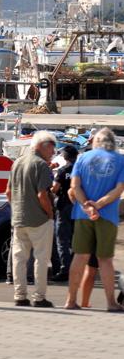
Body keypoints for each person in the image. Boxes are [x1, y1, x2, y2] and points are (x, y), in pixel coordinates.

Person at [64, 128, 124, 311]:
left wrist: (87, 206)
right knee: (105, 259)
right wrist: (98, 205)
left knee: (80, 256)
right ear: (112, 142)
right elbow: (119, 189)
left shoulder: (82, 158)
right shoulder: (120, 160)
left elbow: (74, 186)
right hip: (107, 216)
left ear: (95, 141)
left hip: (82, 215)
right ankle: (111, 303)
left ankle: (71, 300)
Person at [6, 130, 56, 308]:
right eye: (52, 150)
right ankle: (39, 297)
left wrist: (18, 208)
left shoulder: (17, 163)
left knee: (19, 258)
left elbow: (8, 192)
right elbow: (43, 194)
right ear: (44, 146)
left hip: (19, 218)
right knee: (41, 259)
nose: (53, 154)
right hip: (39, 219)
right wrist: (49, 214)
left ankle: (20, 295)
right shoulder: (41, 165)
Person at [50, 145, 78, 282]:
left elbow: (55, 189)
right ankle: (75, 267)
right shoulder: (80, 170)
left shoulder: (62, 171)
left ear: (65, 156)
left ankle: (64, 269)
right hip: (77, 207)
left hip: (63, 207)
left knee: (62, 240)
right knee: (74, 239)